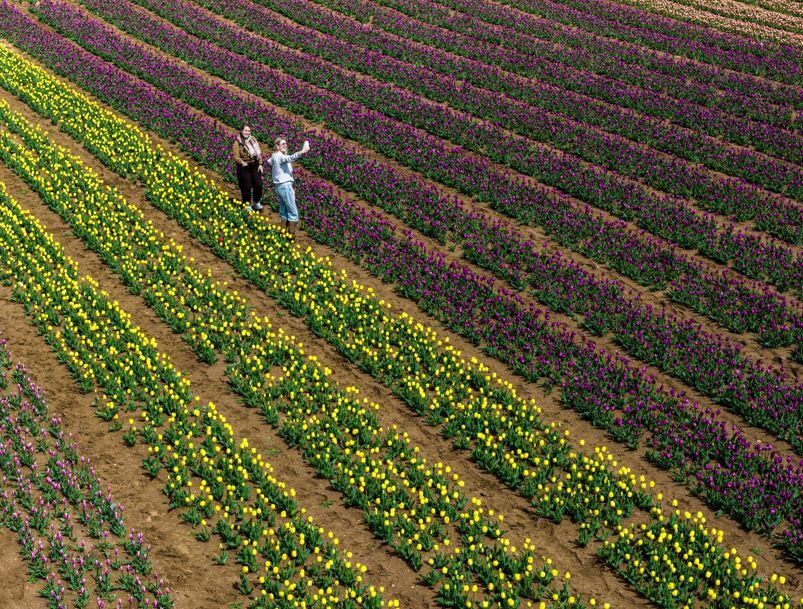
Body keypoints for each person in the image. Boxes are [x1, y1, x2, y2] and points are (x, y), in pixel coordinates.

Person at [268, 136, 310, 237]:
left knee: (284, 211)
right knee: (293, 212)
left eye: (285, 144)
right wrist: (302, 151)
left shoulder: (274, 156)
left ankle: (282, 234)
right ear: (277, 146)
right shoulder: (279, 156)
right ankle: (291, 237)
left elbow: (269, 162)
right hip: (285, 186)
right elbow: (289, 158)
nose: (285, 145)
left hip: (279, 187)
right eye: (282, 144)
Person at [233, 125, 264, 212]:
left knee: (259, 184)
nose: (247, 132)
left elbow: (258, 153)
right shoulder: (237, 142)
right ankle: (247, 204)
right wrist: (242, 162)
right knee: (246, 186)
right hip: (244, 166)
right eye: (246, 130)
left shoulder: (253, 139)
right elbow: (236, 156)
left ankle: (256, 202)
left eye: (249, 131)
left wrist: (261, 164)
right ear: (242, 131)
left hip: (254, 165)